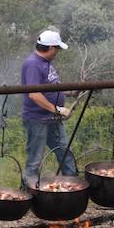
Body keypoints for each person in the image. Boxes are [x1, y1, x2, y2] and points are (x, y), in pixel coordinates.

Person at [21, 29, 77, 186]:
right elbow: (34, 94)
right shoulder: (32, 64)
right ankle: (30, 192)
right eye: (57, 48)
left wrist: (71, 92)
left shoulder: (46, 63)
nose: (58, 52)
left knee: (65, 152)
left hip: (52, 119)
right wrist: (58, 109)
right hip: (37, 120)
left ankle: (72, 188)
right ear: (51, 48)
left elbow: (50, 86)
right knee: (35, 159)